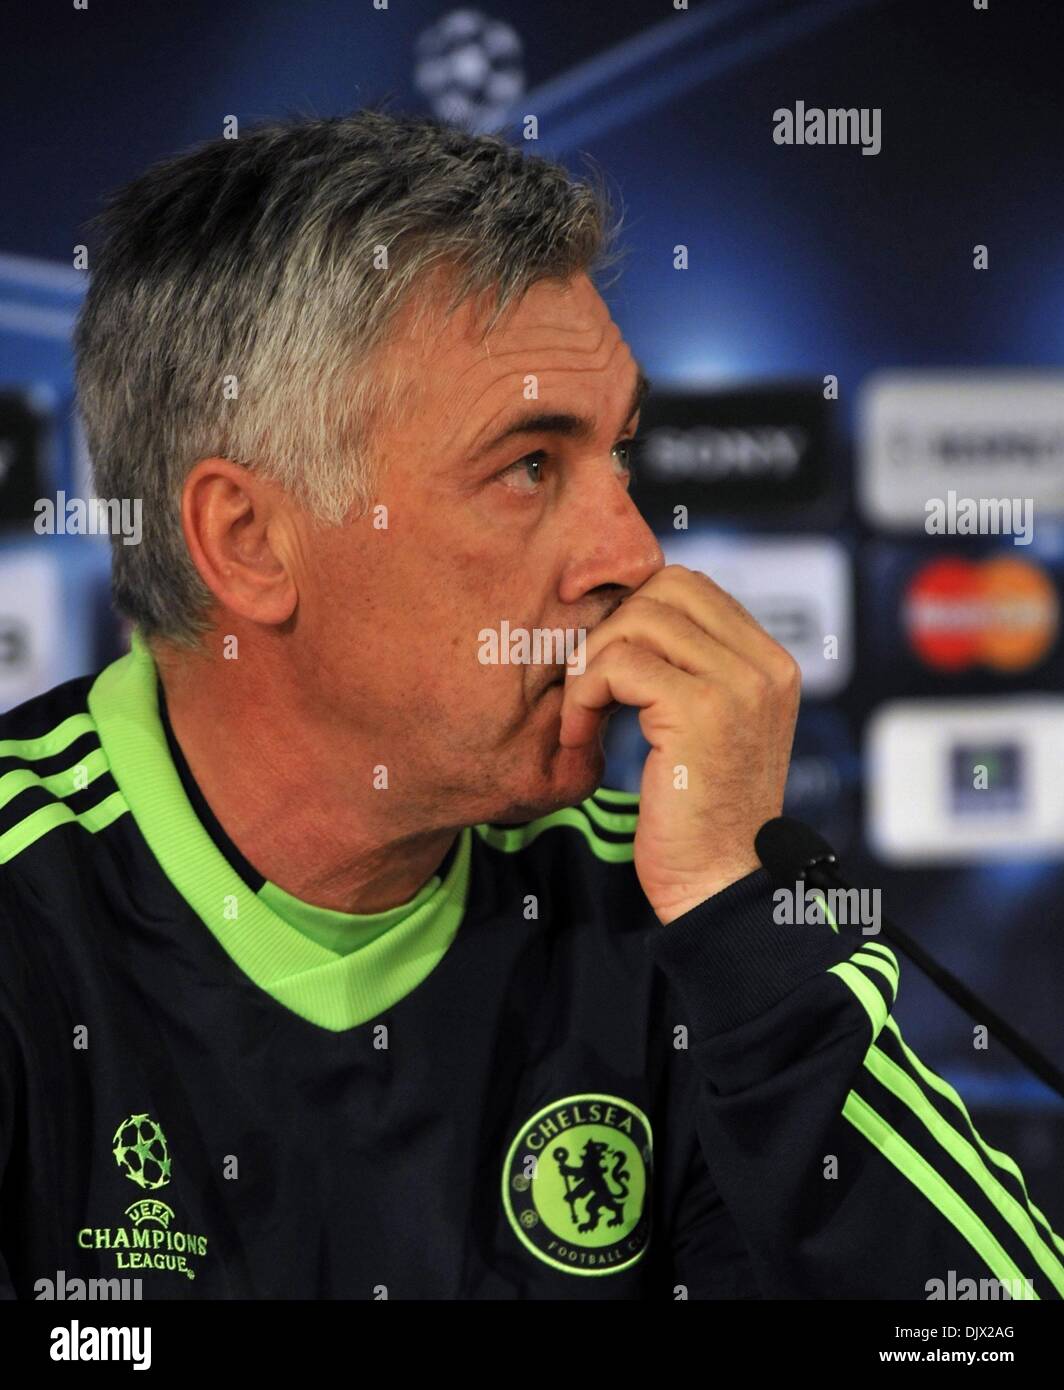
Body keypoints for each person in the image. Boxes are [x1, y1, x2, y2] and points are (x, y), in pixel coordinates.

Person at [1, 109, 1060, 1300]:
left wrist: (741, 924)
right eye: (527, 465)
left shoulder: (672, 905)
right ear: (246, 541)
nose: (632, 552)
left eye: (620, 459)